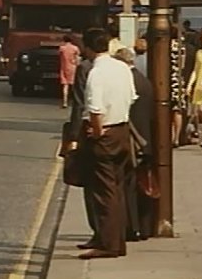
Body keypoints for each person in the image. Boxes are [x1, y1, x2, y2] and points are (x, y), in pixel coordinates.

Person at [78, 27, 137, 259]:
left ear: (89, 47)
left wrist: (97, 130)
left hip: (104, 134)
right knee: (116, 188)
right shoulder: (122, 67)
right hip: (122, 129)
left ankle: (110, 245)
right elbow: (132, 97)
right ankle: (110, 238)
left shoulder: (96, 73)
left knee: (104, 192)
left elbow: (95, 108)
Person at [113, 47, 154, 242]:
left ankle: (132, 228)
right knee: (142, 186)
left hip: (133, 141)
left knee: (129, 186)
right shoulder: (144, 81)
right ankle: (144, 227)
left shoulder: (128, 82)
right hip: (145, 140)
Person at [68, 52, 97, 251]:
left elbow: (79, 104)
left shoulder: (86, 68)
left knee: (93, 186)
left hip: (92, 130)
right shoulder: (120, 68)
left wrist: (73, 136)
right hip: (120, 131)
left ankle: (100, 233)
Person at [170, 26, 187, 148]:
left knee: (167, 109)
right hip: (178, 78)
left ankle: (170, 135)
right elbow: (182, 64)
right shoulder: (181, 46)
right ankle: (177, 137)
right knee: (178, 109)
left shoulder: (166, 44)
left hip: (167, 78)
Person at [59, 34, 80, 108]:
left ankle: (65, 102)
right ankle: (75, 100)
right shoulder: (75, 48)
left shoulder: (62, 48)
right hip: (73, 67)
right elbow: (77, 59)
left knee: (65, 85)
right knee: (74, 85)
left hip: (64, 67)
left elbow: (60, 57)